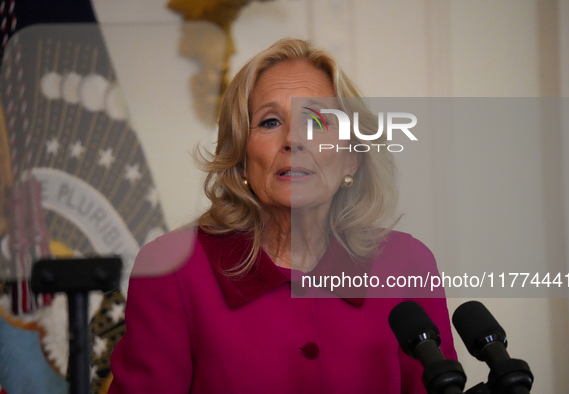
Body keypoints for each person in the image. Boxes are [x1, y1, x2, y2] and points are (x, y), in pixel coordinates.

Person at [108, 38, 456, 394]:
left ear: (352, 158)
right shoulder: (173, 269)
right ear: (241, 157)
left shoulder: (407, 265)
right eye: (270, 122)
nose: (293, 140)